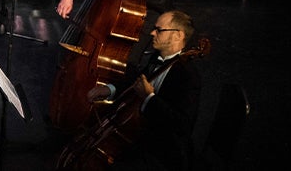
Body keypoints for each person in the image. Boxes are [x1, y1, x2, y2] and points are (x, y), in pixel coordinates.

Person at [82, 10, 202, 171]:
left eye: (159, 30)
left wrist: (149, 97)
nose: (152, 33)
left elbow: (181, 126)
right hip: (140, 138)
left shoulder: (188, 76)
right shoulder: (155, 58)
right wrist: (109, 89)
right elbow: (136, 83)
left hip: (163, 153)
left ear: (178, 36)